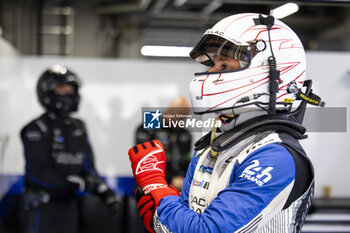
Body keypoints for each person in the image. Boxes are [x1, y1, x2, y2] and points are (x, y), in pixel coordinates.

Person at [128, 13, 325, 233]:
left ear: (270, 73)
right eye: (213, 64)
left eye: (224, 65)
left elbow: (206, 230)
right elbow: (181, 220)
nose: (211, 72)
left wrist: (155, 186)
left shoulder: (275, 156)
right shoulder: (211, 146)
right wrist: (165, 210)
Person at [19, 65, 119, 233]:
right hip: (41, 208)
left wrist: (104, 190)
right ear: (47, 94)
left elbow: (87, 166)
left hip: (69, 207)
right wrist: (76, 183)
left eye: (71, 89)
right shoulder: (35, 128)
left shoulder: (78, 127)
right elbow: (37, 172)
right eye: (63, 89)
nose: (69, 94)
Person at [135, 96, 192, 191]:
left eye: (185, 116)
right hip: (150, 187)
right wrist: (171, 179)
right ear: (170, 111)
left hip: (176, 188)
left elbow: (186, 161)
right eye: (180, 115)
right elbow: (145, 162)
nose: (183, 120)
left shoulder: (185, 134)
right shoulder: (149, 125)